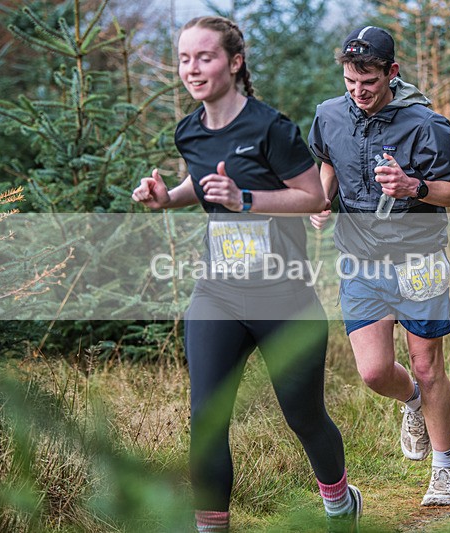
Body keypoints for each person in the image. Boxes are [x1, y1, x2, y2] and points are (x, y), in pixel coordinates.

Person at [131, 16, 361, 532]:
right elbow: (200, 179)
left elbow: (314, 197)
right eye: (185, 58)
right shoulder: (189, 130)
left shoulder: (270, 128)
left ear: (234, 63)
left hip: (283, 295)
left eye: (205, 57)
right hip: (218, 294)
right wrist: (168, 198)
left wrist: (247, 199)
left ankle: (340, 504)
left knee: (303, 417)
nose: (193, 68)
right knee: (205, 420)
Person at [309, 26, 450, 506]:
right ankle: (412, 402)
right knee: (376, 373)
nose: (359, 93)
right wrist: (322, 197)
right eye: (350, 82)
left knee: (427, 364)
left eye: (370, 83)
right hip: (359, 261)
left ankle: (444, 470)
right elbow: (328, 160)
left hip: (417, 260)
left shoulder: (424, 124)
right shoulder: (330, 114)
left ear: (391, 73)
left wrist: (413, 187)